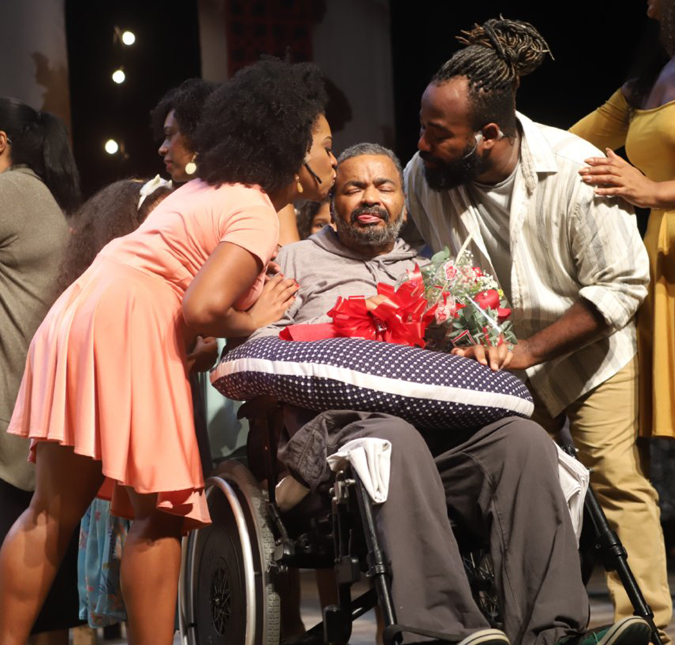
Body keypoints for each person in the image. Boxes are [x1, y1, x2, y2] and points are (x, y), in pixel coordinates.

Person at [247, 142, 652, 645]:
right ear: (333, 198)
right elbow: (256, 347)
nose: (369, 197)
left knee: (520, 441)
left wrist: (478, 348)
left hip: (439, 438)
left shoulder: (432, 270)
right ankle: (442, 633)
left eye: (384, 187)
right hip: (344, 445)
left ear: (404, 201)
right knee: (395, 438)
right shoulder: (292, 262)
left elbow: (479, 343)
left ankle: (552, 634)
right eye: (354, 187)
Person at [0, 58, 337, 645]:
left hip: (85, 310)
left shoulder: (209, 185)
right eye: (328, 147)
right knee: (160, 517)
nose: (334, 161)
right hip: (129, 322)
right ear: (294, 145)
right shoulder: (256, 208)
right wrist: (251, 319)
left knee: (51, 513)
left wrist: (210, 337)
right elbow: (202, 307)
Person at [402, 17, 672, 639]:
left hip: (592, 350)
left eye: (436, 133)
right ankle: (532, 625)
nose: (419, 144)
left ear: (489, 134)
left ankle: (650, 629)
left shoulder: (576, 171)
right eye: (422, 126)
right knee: (514, 482)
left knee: (613, 478)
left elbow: (620, 287)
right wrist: (461, 326)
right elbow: (434, 255)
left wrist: (526, 350)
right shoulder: (425, 178)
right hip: (506, 357)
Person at [570, 1, 675, 452]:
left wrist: (652, 192)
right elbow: (568, 144)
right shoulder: (650, 82)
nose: (651, 8)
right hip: (662, 255)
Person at [0, 98, 82, 645]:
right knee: (43, 615)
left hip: (10, 430)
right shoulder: (36, 194)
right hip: (36, 427)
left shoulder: (11, 193)